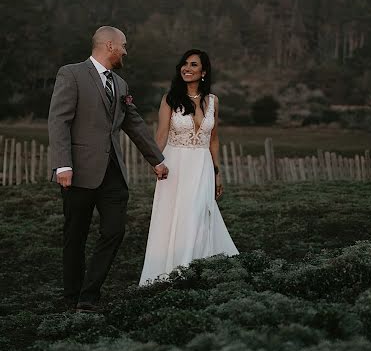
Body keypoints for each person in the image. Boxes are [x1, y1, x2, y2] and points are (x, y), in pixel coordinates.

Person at [48, 26, 168, 312]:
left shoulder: (121, 85)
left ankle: (89, 294)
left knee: (115, 231)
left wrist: (157, 159)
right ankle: (71, 296)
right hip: (77, 172)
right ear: (110, 45)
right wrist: (63, 164)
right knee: (75, 236)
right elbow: (58, 120)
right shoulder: (72, 74)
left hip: (113, 174)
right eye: (124, 45)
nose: (126, 51)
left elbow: (135, 124)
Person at [139, 49, 239, 285]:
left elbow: (213, 139)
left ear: (203, 72)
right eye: (184, 64)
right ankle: (171, 271)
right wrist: (156, 161)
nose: (187, 68)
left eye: (194, 65)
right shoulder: (170, 98)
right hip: (175, 165)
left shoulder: (213, 101)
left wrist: (217, 173)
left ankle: (194, 267)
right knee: (174, 216)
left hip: (202, 166)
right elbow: (161, 134)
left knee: (198, 214)